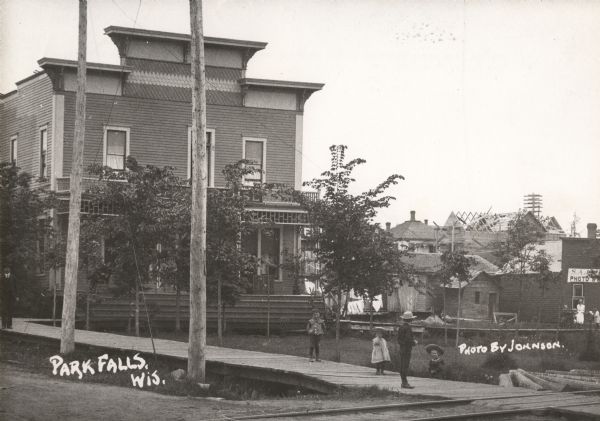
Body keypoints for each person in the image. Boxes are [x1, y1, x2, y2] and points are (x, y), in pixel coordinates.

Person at [397, 310, 417, 388]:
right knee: (405, 365)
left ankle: (403, 382)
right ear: (411, 320)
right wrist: (414, 342)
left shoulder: (401, 327)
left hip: (402, 349)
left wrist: (402, 344)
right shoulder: (408, 328)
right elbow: (408, 339)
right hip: (407, 349)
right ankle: (405, 383)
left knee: (402, 365)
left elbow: (399, 339)